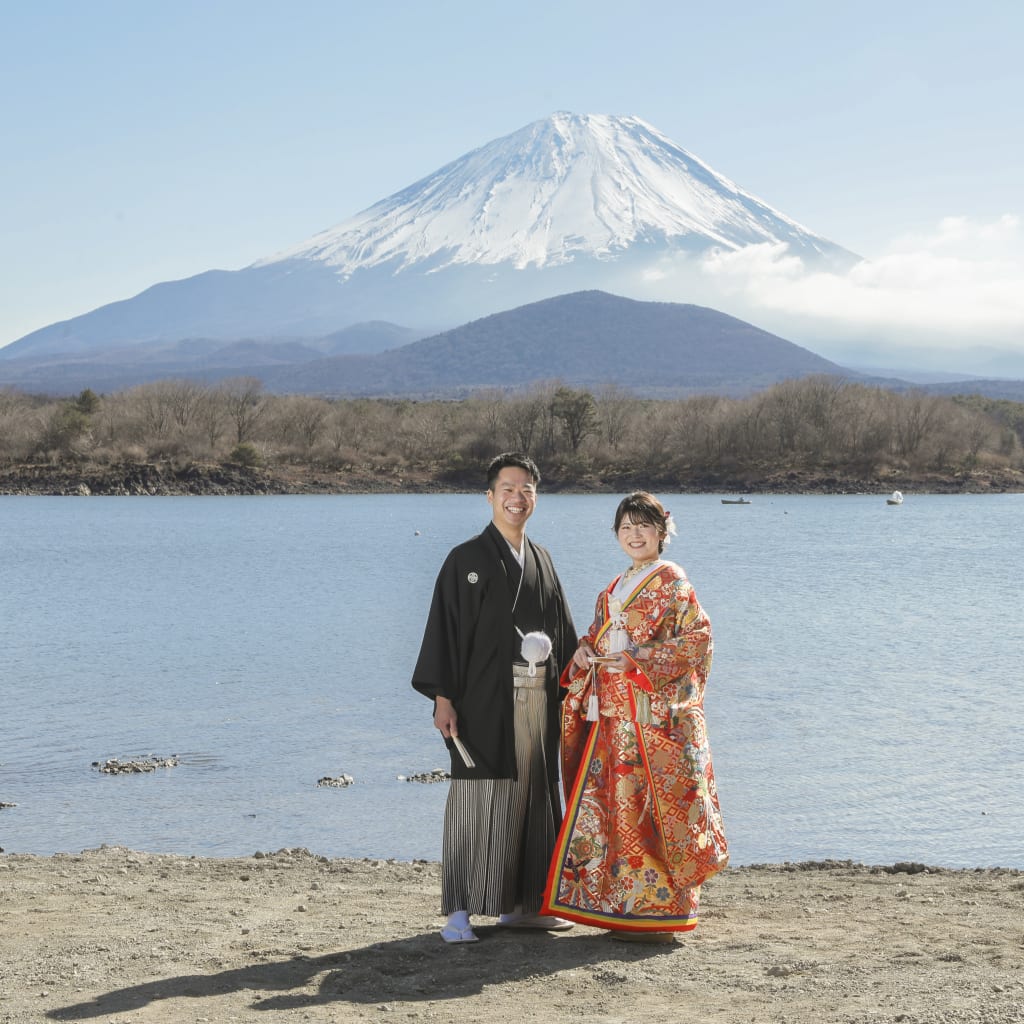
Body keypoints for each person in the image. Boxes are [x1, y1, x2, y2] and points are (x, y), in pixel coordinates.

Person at [542, 491, 728, 941]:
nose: (634, 534)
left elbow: (697, 640)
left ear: (662, 533)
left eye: (643, 526)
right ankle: (623, 907)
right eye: (626, 527)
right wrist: (585, 652)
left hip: (653, 720)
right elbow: (597, 636)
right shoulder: (613, 589)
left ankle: (661, 911)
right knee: (614, 810)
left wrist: (640, 660)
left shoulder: (674, 583)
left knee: (653, 809)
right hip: (612, 718)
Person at [412, 452, 578, 943]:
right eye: (507, 488)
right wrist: (443, 698)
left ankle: (521, 905)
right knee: (476, 799)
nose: (517, 497)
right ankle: (459, 912)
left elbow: (563, 635)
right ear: (490, 496)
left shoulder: (542, 559)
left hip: (536, 704)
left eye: (526, 489)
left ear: (536, 498)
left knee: (532, 797)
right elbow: (445, 631)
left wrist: (583, 665)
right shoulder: (466, 559)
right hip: (482, 701)